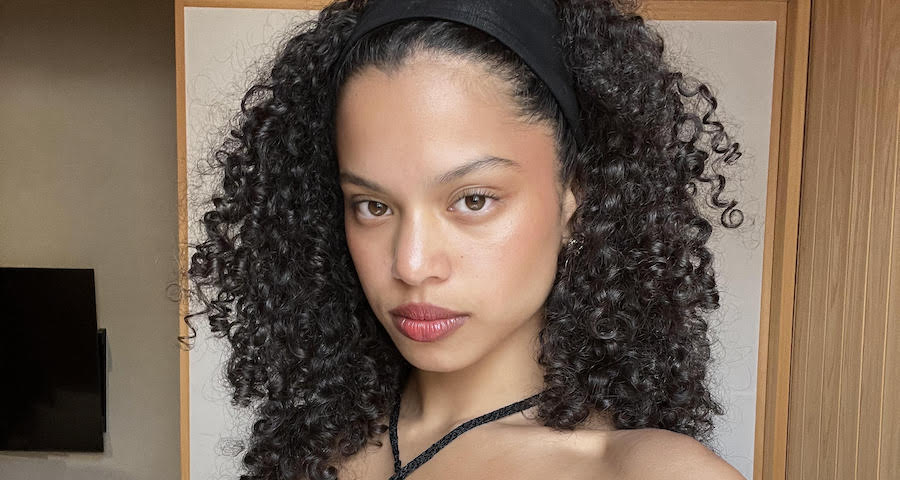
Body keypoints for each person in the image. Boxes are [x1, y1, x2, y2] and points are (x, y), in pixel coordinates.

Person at [184, 0, 748, 479]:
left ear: (576, 197)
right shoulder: (314, 452)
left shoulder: (647, 473)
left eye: (473, 200)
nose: (411, 264)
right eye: (373, 206)